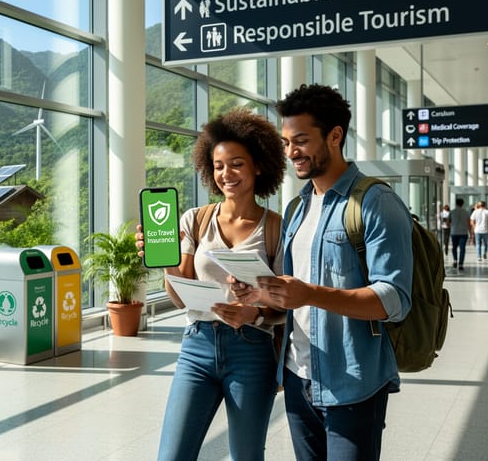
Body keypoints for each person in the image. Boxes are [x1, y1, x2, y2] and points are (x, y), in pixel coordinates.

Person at [236, 83, 413, 460]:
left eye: (300, 140)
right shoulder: (297, 210)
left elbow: (395, 300)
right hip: (298, 379)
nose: (291, 152)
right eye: (286, 142)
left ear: (335, 136)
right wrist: (260, 294)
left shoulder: (376, 202)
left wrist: (312, 294)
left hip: (353, 382)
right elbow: (290, 295)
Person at [136, 108, 287, 461]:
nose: (226, 174)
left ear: (259, 166)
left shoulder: (277, 228)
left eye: (236, 163)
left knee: (247, 456)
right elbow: (180, 298)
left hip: (252, 351)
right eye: (219, 166)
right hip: (197, 347)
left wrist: (252, 313)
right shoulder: (196, 219)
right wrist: (167, 262)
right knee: (172, 455)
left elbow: (284, 306)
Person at [449, 197, 472, 271]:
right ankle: (461, 264)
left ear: (456, 204)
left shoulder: (452, 212)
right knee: (462, 249)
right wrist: (471, 233)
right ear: (462, 204)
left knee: (454, 247)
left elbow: (448, 222)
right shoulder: (466, 212)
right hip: (463, 232)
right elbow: (469, 224)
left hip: (454, 232)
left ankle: (455, 260)